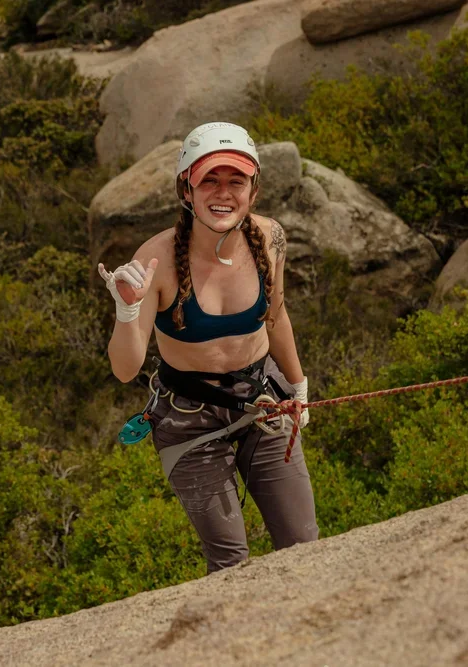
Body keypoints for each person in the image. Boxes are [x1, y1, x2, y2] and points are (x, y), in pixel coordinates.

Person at [97, 122, 319, 573]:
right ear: (187, 189)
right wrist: (126, 310)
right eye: (209, 180)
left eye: (236, 180)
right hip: (188, 419)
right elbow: (125, 369)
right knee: (229, 562)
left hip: (262, 400)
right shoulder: (155, 261)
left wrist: (297, 385)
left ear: (254, 190)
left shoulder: (270, 239)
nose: (223, 193)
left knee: (303, 543)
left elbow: (276, 316)